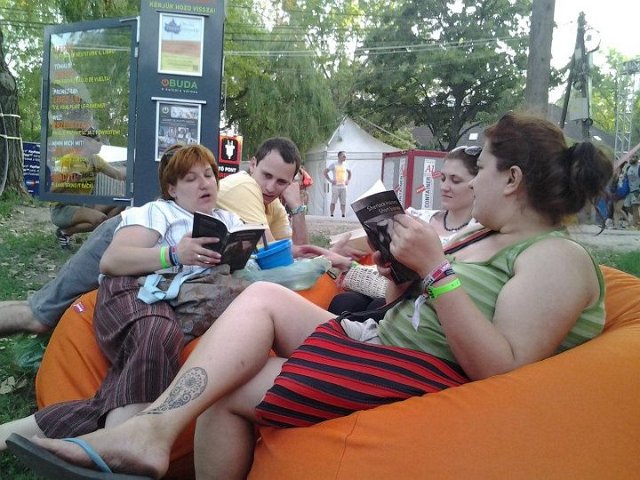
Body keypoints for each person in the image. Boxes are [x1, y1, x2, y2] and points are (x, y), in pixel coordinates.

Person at [10, 112, 613, 480]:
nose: (472, 181)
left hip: (422, 374)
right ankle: (149, 432)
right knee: (259, 304)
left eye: (479, 170)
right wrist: (401, 274)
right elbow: (424, 304)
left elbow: (501, 370)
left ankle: (146, 433)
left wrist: (435, 270)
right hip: (381, 341)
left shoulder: (556, 259)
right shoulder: (486, 236)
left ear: (512, 180)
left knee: (230, 390)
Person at [0, 143, 247, 449]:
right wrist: (173, 253)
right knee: (157, 330)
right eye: (191, 178)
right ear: (172, 189)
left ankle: (25, 434)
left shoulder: (229, 221)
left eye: (208, 175)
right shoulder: (159, 212)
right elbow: (112, 261)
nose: (204, 183)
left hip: (173, 303)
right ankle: (117, 451)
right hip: (132, 290)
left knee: (126, 384)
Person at [0, 139, 360, 336]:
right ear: (252, 165)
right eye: (266, 176)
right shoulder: (243, 188)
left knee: (52, 314)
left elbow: (279, 253)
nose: (271, 187)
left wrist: (300, 220)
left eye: (281, 182)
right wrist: (173, 254)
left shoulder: (272, 204)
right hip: (134, 234)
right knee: (40, 315)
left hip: (155, 251)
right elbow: (272, 255)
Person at [328, 145, 481, 316]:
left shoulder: (474, 234)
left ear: (477, 184)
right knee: (345, 301)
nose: (445, 186)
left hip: (422, 300)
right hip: (392, 287)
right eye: (443, 178)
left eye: (455, 181)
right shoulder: (418, 217)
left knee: (376, 307)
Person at [49, 127, 126, 249]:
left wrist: (140, 169)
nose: (101, 144)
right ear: (86, 142)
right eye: (98, 140)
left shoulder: (96, 160)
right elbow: (51, 191)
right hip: (62, 208)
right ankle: (65, 232)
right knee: (100, 219)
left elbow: (119, 175)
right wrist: (68, 182)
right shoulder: (67, 160)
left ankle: (102, 237)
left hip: (84, 204)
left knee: (121, 201)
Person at [323, 150, 352, 217]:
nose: (345, 158)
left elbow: (350, 172)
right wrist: (330, 180)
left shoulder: (346, 164)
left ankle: (343, 214)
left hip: (343, 186)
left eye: (345, 156)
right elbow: (325, 172)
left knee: (343, 202)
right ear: (339, 156)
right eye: (343, 156)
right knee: (333, 201)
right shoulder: (334, 164)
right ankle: (331, 214)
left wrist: (348, 180)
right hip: (336, 186)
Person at [624, 155, 640, 228]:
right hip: (629, 190)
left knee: (635, 207)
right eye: (630, 157)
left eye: (633, 157)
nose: (631, 159)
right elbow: (626, 177)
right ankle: (637, 219)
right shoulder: (628, 168)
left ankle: (636, 224)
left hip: (636, 190)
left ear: (637, 159)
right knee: (626, 206)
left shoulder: (639, 167)